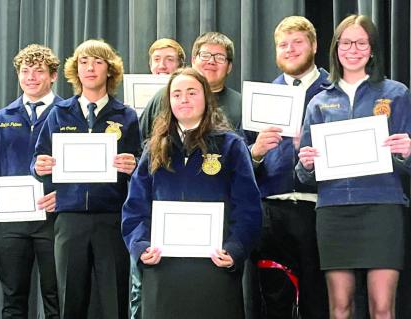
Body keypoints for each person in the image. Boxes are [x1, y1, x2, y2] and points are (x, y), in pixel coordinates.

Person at [121, 67, 262, 319]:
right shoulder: (154, 148)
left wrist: (235, 248)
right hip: (162, 267)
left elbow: (249, 208)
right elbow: (135, 207)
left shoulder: (231, 145)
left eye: (191, 92)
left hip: (214, 268)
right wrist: (140, 246)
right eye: (176, 94)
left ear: (206, 98)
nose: (183, 99)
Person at [296, 14, 411, 319]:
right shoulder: (319, 102)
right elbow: (304, 175)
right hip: (334, 210)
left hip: (382, 207)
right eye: (346, 42)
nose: (353, 49)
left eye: (362, 42)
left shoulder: (396, 94)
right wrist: (306, 163)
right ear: (335, 48)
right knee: (340, 308)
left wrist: (407, 153)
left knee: (383, 308)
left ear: (372, 49)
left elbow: (407, 164)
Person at [32, 39, 141, 319]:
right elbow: (39, 159)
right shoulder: (59, 112)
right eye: (83, 62)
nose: (90, 68)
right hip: (70, 219)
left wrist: (135, 165)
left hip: (112, 218)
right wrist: (40, 167)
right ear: (75, 70)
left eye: (98, 62)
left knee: (115, 298)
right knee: (70, 298)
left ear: (110, 70)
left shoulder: (126, 115)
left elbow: (142, 166)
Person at [245, 16, 329, 319]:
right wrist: (255, 152)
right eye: (283, 44)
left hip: (320, 209)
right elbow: (243, 163)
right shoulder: (263, 95)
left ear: (314, 46)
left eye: (297, 42)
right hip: (272, 211)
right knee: (273, 299)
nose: (290, 50)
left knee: (318, 299)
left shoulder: (334, 91)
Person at [0, 44, 61, 318]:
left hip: (54, 220)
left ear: (53, 76)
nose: (31, 77)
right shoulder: (1, 118)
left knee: (56, 298)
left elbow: (82, 171)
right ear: (18, 75)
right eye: (25, 71)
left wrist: (64, 195)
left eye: (38, 71)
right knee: (13, 300)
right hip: (11, 222)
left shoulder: (68, 114)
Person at [129, 37, 185, 319]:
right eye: (156, 60)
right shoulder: (134, 105)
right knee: (141, 284)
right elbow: (139, 150)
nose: (162, 66)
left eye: (169, 60)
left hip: (182, 205)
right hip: (148, 203)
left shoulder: (188, 97)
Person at [139, 32, 241, 141]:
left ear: (229, 67)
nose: (211, 61)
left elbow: (248, 150)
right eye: (205, 55)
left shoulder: (241, 104)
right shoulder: (164, 96)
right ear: (193, 61)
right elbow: (140, 143)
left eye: (220, 57)